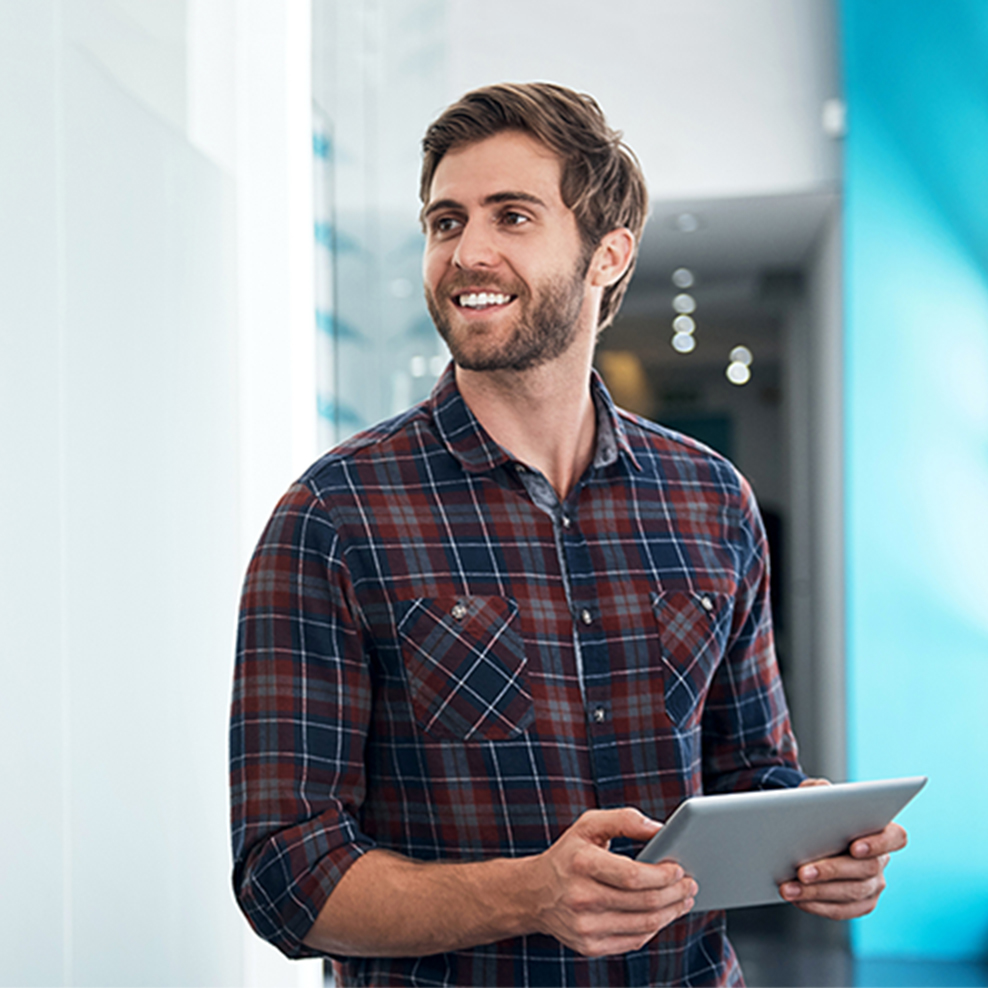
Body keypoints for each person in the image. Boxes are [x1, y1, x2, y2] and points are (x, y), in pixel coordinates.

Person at [230, 82, 906, 987]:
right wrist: (529, 895)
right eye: (445, 221)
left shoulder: (713, 499)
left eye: (513, 216)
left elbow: (753, 772)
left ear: (607, 255)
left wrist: (822, 847)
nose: (468, 252)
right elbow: (283, 874)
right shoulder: (333, 516)